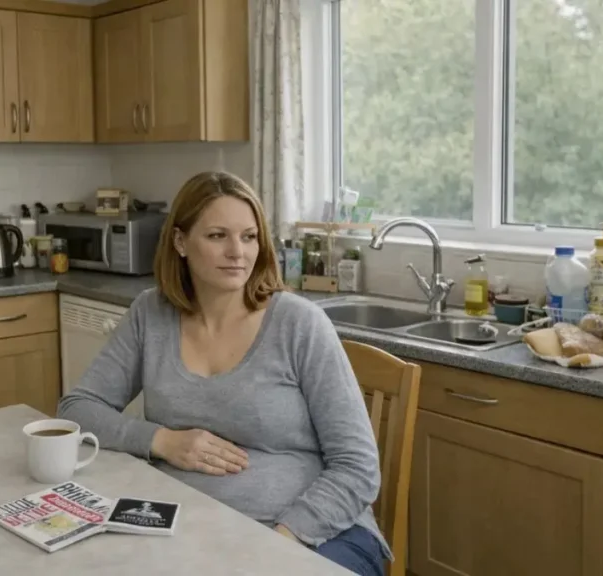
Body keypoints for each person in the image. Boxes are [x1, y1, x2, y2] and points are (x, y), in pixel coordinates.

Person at [57, 171, 389, 576]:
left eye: (249, 237)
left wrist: (280, 540)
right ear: (180, 242)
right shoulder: (151, 313)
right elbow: (77, 409)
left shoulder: (299, 324)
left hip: (316, 533)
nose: (238, 252)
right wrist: (161, 440)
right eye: (218, 236)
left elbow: (357, 465)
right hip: (193, 528)